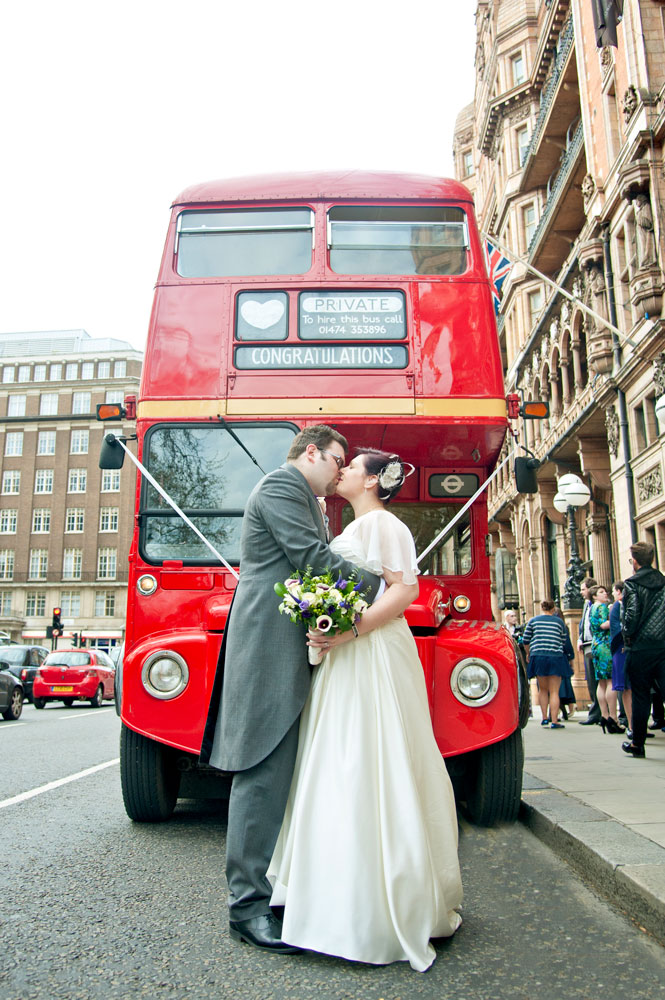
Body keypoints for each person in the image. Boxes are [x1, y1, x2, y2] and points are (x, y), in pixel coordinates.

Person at [268, 449, 463, 972]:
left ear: (373, 480)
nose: (343, 471)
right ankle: (334, 896)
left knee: (375, 755)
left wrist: (352, 629)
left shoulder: (386, 525)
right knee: (338, 759)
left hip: (373, 649)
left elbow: (405, 590)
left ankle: (379, 902)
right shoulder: (353, 527)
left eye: (352, 466)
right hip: (346, 653)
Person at [200, 425, 383, 953]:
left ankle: (268, 892)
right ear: (311, 452)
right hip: (266, 644)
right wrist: (386, 586)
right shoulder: (283, 488)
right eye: (336, 460)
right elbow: (312, 560)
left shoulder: (300, 493)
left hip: (283, 641)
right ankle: (247, 909)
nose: (340, 471)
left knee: (280, 772)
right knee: (261, 770)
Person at [621, 542, 665, 758]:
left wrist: (626, 633)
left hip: (640, 648)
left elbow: (631, 616)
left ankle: (638, 744)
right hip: (663, 646)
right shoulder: (664, 582)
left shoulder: (632, 584)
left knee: (641, 696)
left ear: (636, 562)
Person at [521, 600, 574, 728]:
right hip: (555, 657)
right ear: (553, 608)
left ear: (542, 608)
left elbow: (525, 639)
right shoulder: (559, 622)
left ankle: (544, 718)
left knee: (543, 689)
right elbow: (563, 640)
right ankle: (554, 720)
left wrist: (529, 653)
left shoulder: (533, 621)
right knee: (554, 691)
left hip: (538, 656)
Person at [578, 577, 601, 725]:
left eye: (583, 589)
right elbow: (583, 625)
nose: (581, 592)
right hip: (587, 644)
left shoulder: (597, 606)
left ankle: (598, 713)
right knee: (592, 681)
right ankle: (596, 711)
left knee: (600, 680)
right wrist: (580, 638)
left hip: (596, 645)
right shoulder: (587, 605)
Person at [609, 581, 631, 733]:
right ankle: (632, 725)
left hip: (623, 648)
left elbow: (616, 628)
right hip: (624, 648)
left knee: (630, 688)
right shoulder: (618, 606)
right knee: (627, 688)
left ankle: (633, 724)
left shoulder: (618, 606)